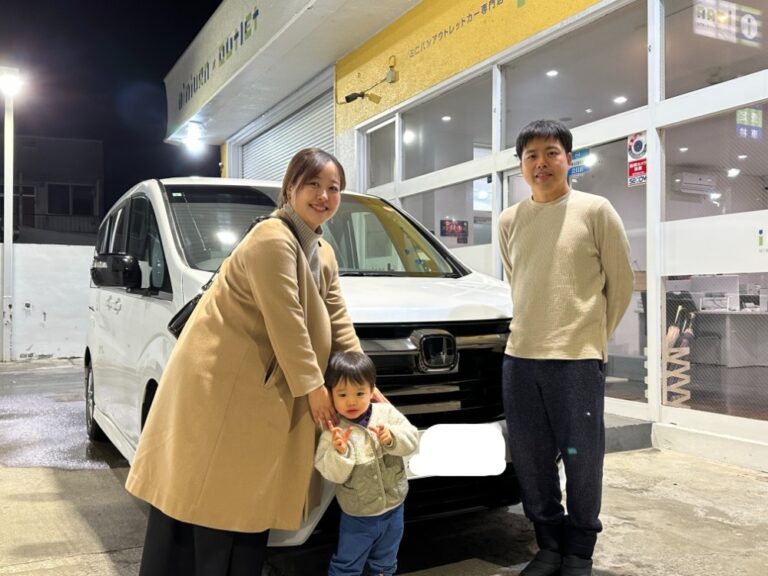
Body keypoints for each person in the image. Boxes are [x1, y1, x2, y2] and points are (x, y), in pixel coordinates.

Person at [126, 148, 363, 575]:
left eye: (334, 188)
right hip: (223, 390)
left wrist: (363, 380)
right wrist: (314, 388)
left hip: (260, 391)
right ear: (290, 187)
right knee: (211, 501)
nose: (324, 196)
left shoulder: (321, 250)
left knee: (242, 505)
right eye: (313, 184)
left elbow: (337, 320)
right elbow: (287, 321)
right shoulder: (272, 239)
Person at [498, 120, 634, 576]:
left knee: (582, 461)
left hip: (576, 360)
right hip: (521, 358)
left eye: (551, 152)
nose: (542, 163)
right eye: (531, 155)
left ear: (568, 159)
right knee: (531, 460)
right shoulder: (509, 220)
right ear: (521, 165)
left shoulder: (595, 211)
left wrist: (591, 337)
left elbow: (621, 283)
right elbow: (518, 280)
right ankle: (548, 546)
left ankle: (579, 552)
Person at [315, 351, 419, 576]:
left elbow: (412, 439)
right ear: (331, 395)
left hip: (394, 508)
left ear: (372, 390)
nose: (351, 401)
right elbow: (331, 474)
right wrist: (340, 452)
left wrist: (391, 437)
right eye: (342, 394)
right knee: (347, 564)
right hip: (358, 516)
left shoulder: (386, 413)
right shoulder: (333, 430)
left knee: (386, 562)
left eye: (360, 393)